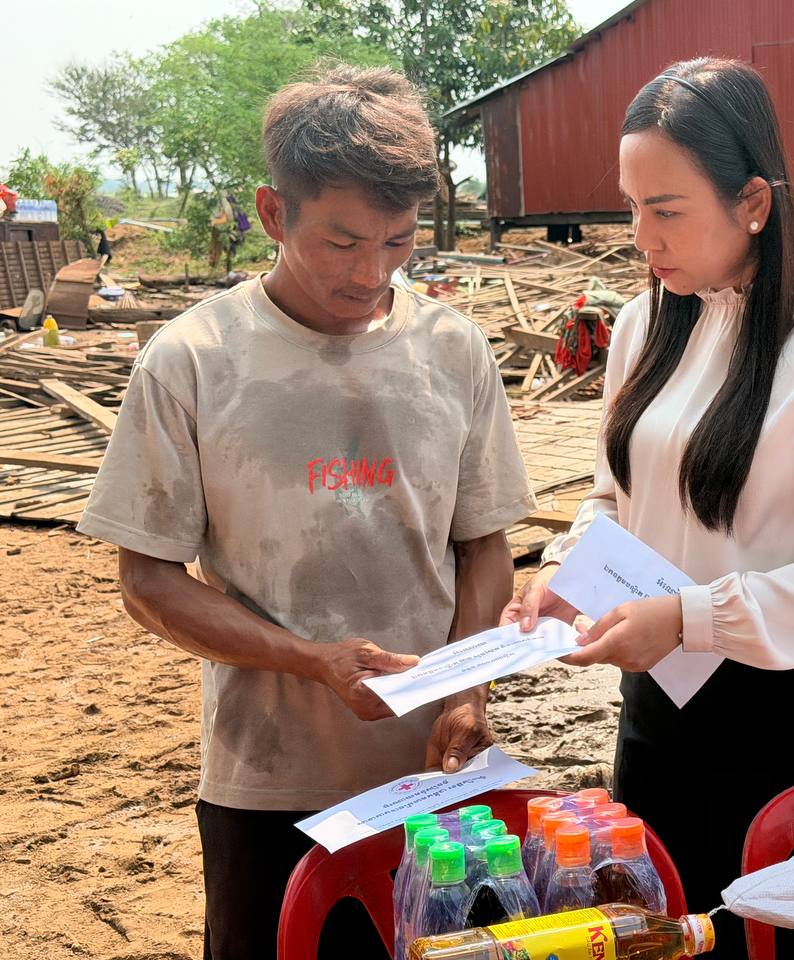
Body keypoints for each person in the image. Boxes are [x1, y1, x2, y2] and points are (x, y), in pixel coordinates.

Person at [76, 65, 536, 960]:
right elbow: (147, 581)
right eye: (341, 242)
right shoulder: (193, 360)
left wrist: (466, 689)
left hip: (436, 780)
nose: (371, 273)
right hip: (266, 782)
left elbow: (484, 547)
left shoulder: (453, 349)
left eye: (398, 241)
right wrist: (312, 661)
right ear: (272, 214)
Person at [503, 58, 794, 956]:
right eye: (631, 208)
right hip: (661, 694)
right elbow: (612, 493)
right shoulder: (644, 324)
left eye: (667, 211)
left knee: (777, 940)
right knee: (664, 926)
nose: (641, 238)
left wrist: (693, 618)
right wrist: (566, 574)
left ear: (754, 203)